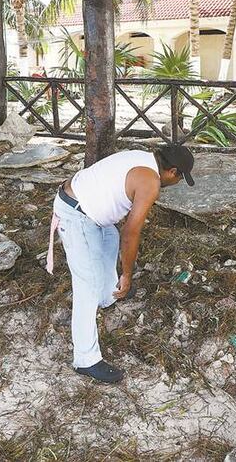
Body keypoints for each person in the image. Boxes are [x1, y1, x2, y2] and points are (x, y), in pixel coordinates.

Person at [52, 145, 195, 383]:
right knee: (86, 285)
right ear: (171, 171)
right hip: (76, 215)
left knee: (110, 238)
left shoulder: (142, 157)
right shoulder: (150, 182)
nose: (178, 182)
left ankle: (109, 295)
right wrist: (127, 274)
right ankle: (86, 360)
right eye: (180, 177)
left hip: (83, 205)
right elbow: (132, 231)